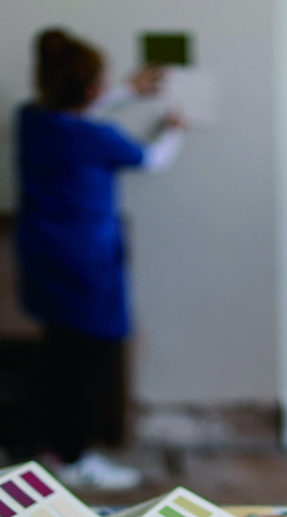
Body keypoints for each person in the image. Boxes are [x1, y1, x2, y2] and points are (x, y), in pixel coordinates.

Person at [15, 28, 185, 490]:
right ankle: (74, 458)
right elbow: (152, 160)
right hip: (85, 260)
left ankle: (50, 448)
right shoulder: (95, 137)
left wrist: (128, 92)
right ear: (92, 88)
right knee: (93, 356)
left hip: (40, 254)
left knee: (59, 351)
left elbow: (78, 107)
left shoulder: (30, 119)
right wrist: (174, 131)